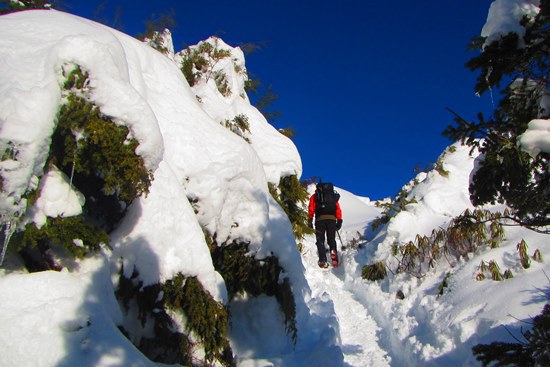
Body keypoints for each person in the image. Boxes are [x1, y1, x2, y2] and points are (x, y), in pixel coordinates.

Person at [308, 183, 343, 268]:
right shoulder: (332, 196)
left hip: (320, 220)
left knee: (320, 240)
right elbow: (337, 208)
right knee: (331, 238)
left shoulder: (315, 196)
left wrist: (310, 220)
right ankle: (333, 252)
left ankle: (323, 260)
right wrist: (339, 221)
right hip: (331, 219)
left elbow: (311, 209)